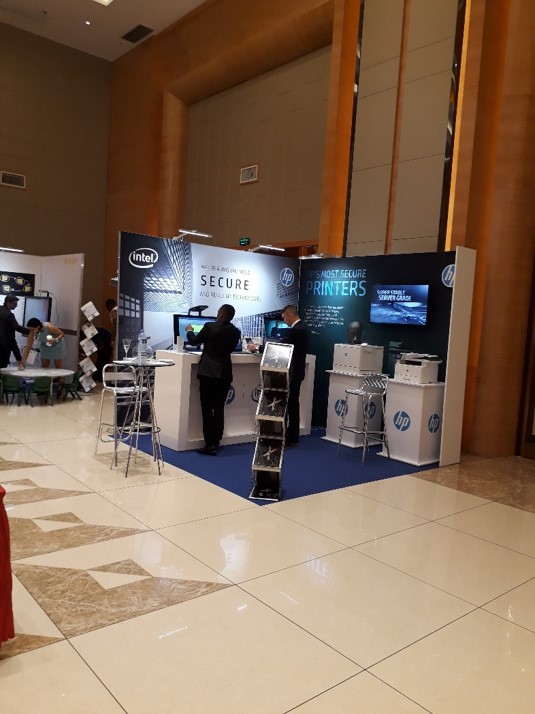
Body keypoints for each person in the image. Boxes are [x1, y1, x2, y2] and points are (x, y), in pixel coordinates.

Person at [249, 304, 309, 446]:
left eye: (284, 318)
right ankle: (292, 435)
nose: (284, 321)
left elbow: (280, 347)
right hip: (297, 371)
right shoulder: (303, 328)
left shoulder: (296, 330)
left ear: (290, 315)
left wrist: (257, 347)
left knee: (288, 405)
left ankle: (288, 436)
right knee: (292, 404)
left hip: (292, 372)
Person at [186, 304, 241, 455]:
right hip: (224, 374)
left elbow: (194, 341)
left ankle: (209, 444)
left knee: (207, 409)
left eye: (218, 313)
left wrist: (189, 330)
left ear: (221, 314)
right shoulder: (236, 332)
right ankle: (215, 442)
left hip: (208, 373)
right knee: (218, 408)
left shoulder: (210, 327)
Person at [0, 296, 30, 369]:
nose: (16, 306)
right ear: (8, 303)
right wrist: (31, 331)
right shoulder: (9, 315)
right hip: (3, 348)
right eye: (14, 304)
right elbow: (17, 327)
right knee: (2, 368)